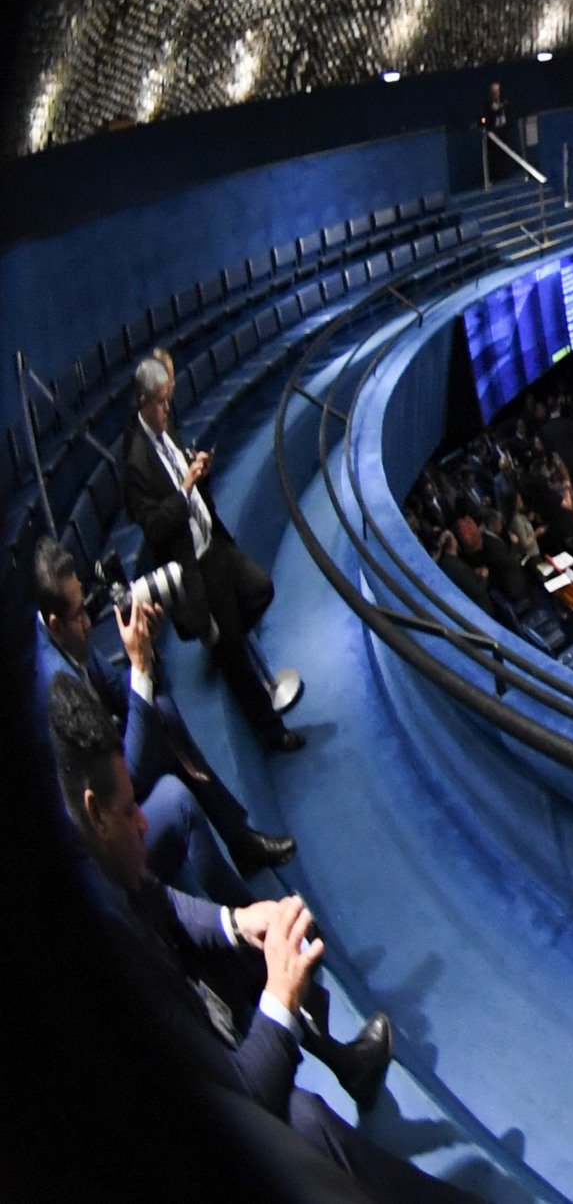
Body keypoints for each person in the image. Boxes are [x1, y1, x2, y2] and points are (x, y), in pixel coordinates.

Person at [48, 677, 474, 1202]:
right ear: (95, 812)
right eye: (129, 810)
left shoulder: (83, 847)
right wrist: (281, 999)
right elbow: (246, 1099)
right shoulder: (112, 947)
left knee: (255, 956)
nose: (142, 822)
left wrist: (237, 921)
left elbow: (157, 898)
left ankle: (349, 1066)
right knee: (305, 1121)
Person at [30, 539, 292, 900]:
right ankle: (249, 919)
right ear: (55, 625)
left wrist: (146, 650)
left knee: (162, 710)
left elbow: (127, 695)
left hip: (114, 796)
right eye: (79, 616)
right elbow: (128, 777)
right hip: (102, 857)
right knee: (176, 800)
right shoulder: (55, 687)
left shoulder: (65, 637)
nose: (89, 623)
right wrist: (137, 665)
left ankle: (240, 839)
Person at [120, 358, 295, 751]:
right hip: (193, 566)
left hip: (213, 542)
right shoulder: (134, 462)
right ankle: (273, 734)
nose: (169, 409)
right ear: (145, 400)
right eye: (163, 402)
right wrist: (184, 489)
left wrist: (200, 469)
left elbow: (187, 476)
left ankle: (220, 644)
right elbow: (154, 529)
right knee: (237, 659)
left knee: (261, 589)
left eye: (170, 400)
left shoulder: (166, 430)